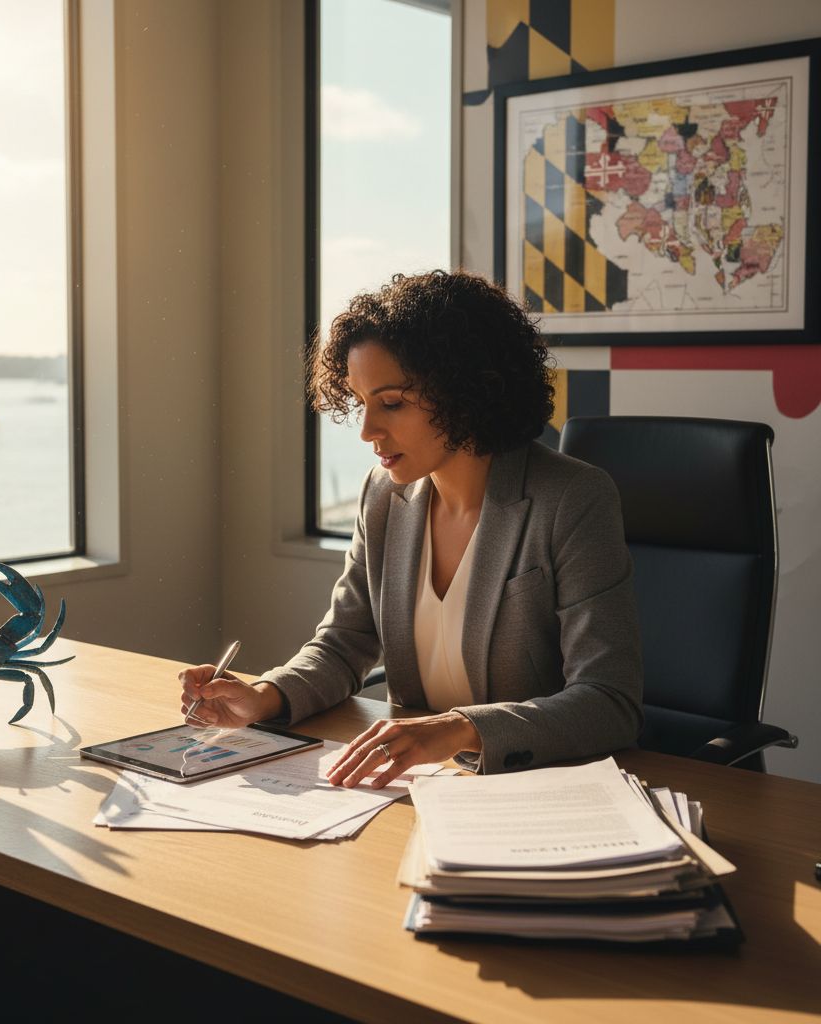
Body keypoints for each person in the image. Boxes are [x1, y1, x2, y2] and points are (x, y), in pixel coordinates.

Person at [179, 270, 642, 786]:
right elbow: (342, 643)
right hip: (414, 785)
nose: (366, 430)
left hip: (536, 789)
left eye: (392, 402)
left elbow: (609, 700)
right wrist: (266, 696)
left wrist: (461, 728)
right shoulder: (383, 494)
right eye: (361, 403)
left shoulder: (571, 498)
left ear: (464, 389)